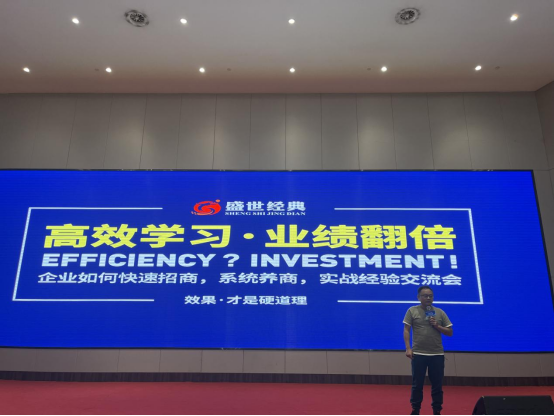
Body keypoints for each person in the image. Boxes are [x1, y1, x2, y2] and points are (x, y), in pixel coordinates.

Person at [403, 286, 453, 416]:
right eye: (425, 296)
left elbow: (450, 332)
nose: (428, 298)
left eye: (431, 295)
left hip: (437, 354)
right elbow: (406, 330)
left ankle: (437, 410)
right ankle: (415, 410)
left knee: (437, 385)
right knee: (417, 385)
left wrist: (437, 325)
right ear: (418, 297)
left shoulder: (439, 312)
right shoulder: (412, 310)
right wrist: (408, 348)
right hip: (418, 353)